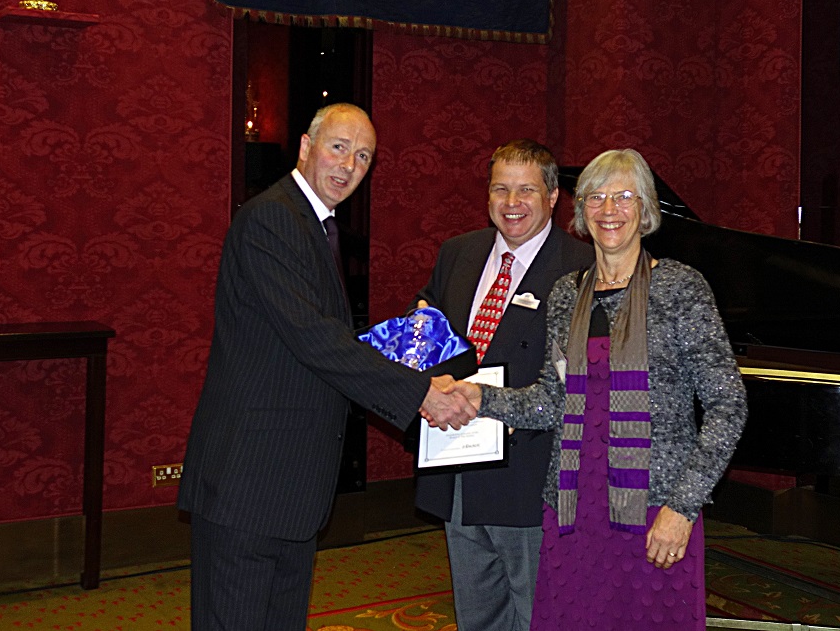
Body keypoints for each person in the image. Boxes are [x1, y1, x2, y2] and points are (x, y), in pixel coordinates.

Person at [177, 103, 477, 631]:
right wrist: (420, 393)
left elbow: (320, 337)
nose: (348, 166)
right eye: (339, 147)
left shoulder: (314, 225)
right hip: (250, 482)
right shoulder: (273, 218)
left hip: (289, 487)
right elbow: (314, 339)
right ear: (305, 147)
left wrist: (412, 347)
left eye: (363, 157)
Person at [449, 148, 748, 630]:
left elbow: (727, 405)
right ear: (581, 210)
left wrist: (683, 506)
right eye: (597, 197)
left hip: (653, 509)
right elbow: (551, 401)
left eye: (625, 196)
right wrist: (481, 398)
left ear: (646, 209)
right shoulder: (568, 293)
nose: (610, 210)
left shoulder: (679, 288)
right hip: (573, 507)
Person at [413, 139, 594, 631]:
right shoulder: (458, 253)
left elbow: (581, 382)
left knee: (538, 612)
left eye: (526, 191)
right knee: (477, 612)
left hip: (530, 474)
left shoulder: (582, 267)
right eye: (500, 189)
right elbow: (426, 329)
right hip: (457, 464)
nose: (511, 203)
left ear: (554, 196)